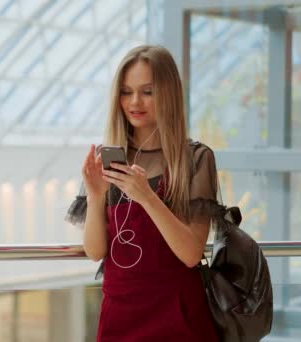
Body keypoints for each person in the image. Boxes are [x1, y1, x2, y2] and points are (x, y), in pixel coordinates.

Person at [65, 45, 221, 341]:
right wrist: (96, 195)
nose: (135, 102)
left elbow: (190, 254)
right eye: (126, 91)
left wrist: (147, 198)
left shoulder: (196, 159)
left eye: (147, 91)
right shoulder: (107, 157)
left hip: (177, 316)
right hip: (120, 316)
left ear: (168, 93)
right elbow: (96, 251)